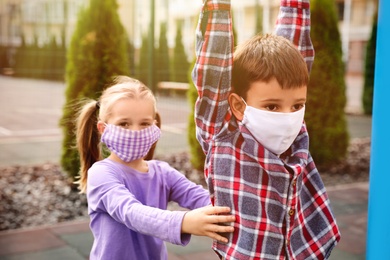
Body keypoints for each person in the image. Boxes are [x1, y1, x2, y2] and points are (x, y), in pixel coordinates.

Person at [192, 0, 340, 259]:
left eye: (297, 105)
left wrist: (294, 6)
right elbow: (212, 75)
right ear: (238, 105)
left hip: (305, 247)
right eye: (272, 107)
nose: (288, 116)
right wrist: (218, 6)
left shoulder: (294, 126)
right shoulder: (223, 135)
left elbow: (295, 55)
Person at [75, 75, 235, 260]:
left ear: (154, 126)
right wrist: (184, 222)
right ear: (103, 129)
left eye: (144, 123)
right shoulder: (101, 173)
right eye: (124, 124)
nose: (135, 132)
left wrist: (229, 212)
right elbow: (131, 212)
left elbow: (198, 196)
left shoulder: (162, 172)